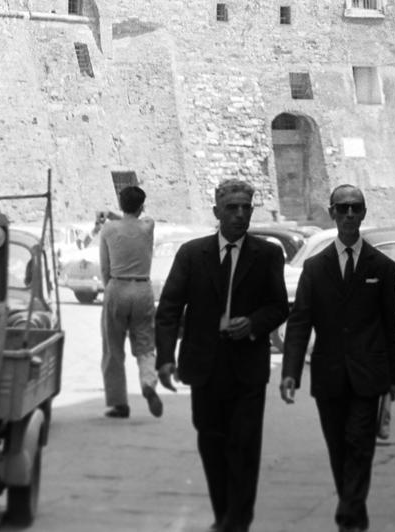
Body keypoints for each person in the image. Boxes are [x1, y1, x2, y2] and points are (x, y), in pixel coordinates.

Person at [155, 180, 289, 532]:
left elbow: (278, 306)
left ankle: (238, 522)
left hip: (247, 367)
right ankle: (223, 515)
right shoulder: (191, 254)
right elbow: (169, 307)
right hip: (204, 366)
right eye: (232, 208)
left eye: (246, 207)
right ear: (217, 212)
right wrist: (165, 357)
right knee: (211, 442)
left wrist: (254, 323)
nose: (241, 214)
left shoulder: (267, 254)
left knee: (244, 446)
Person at [280, 185, 395, 532]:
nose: (350, 214)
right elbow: (301, 321)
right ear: (332, 214)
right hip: (329, 374)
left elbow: (389, 325)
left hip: (369, 374)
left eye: (356, 208)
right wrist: (290, 372)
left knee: (359, 443)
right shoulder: (315, 269)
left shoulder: (382, 267)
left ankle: (347, 516)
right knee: (338, 448)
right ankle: (355, 510)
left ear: (363, 213)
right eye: (343, 208)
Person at [99, 184, 162, 419]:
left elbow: (105, 267)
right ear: (142, 206)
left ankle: (119, 403)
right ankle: (148, 383)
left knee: (113, 348)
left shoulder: (108, 231)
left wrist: (111, 290)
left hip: (117, 286)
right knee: (145, 343)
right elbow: (136, 220)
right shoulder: (148, 226)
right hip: (143, 288)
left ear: (120, 204)